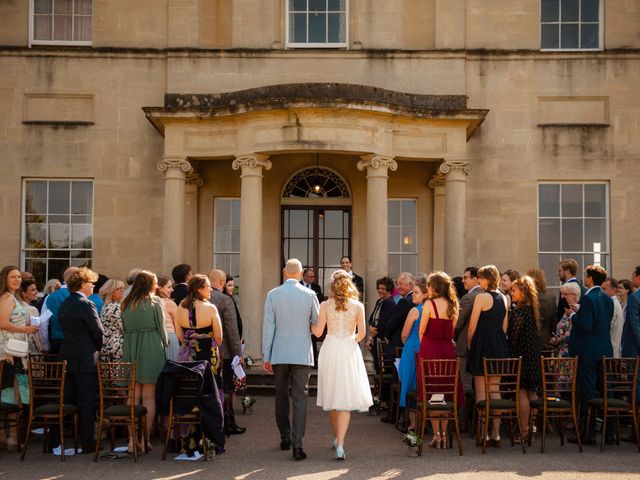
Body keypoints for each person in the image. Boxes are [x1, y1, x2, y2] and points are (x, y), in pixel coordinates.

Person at [262, 259, 319, 461]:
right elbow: (316, 324)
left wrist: (266, 355)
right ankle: (297, 444)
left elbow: (269, 328)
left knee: (281, 396)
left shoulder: (273, 295)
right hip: (302, 352)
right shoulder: (310, 295)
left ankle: (285, 436)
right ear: (301, 273)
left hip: (279, 352)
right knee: (300, 398)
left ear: (285, 272)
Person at [312, 269, 372, 460]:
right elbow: (362, 334)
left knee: (332, 397)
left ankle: (337, 438)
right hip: (348, 348)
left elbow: (318, 332)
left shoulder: (324, 305)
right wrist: (349, 340)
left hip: (330, 348)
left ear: (332, 285)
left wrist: (310, 325)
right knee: (344, 397)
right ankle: (341, 443)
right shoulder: (358, 306)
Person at [174, 274, 225, 455]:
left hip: (188, 356)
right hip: (208, 356)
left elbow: (180, 336)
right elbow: (218, 336)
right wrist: (209, 345)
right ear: (199, 289)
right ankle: (211, 440)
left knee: (190, 394)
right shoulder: (210, 308)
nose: (211, 289)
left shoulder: (180, 308)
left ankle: (189, 441)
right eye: (208, 286)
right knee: (211, 394)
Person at [58, 267, 104, 453]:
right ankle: (87, 443)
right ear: (82, 284)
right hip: (85, 357)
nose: (93, 285)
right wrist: (97, 348)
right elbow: (98, 331)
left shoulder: (65, 303)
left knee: (67, 399)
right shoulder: (85, 303)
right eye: (91, 282)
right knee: (86, 401)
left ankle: (57, 441)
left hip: (67, 354)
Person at [121, 270, 168, 452]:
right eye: (155, 283)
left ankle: (132, 441)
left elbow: (123, 327)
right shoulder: (155, 302)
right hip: (150, 346)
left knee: (132, 396)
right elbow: (162, 331)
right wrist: (165, 343)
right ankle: (145, 439)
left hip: (131, 345)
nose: (157, 286)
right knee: (148, 396)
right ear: (150, 284)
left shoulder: (125, 303)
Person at [567, 264, 613, 445]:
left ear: (591, 278)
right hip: (604, 349)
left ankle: (589, 433)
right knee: (605, 391)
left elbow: (586, 325)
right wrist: (581, 313)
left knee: (587, 393)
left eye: (586, 276)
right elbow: (600, 321)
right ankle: (608, 433)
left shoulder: (588, 298)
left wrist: (572, 315)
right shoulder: (608, 298)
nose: (584, 278)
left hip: (587, 351)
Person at [418, 271, 463, 449]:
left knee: (432, 392)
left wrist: (424, 348)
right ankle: (444, 434)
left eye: (429, 285)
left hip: (430, 349)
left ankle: (437, 434)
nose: (427, 288)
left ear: (435, 287)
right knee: (445, 391)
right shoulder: (454, 305)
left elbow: (422, 330)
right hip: (447, 351)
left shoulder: (429, 304)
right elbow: (451, 333)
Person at [467, 265, 509, 446]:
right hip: (498, 344)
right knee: (495, 389)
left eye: (480, 277)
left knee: (482, 390)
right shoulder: (504, 298)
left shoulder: (481, 297)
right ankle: (496, 433)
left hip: (482, 343)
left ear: (487, 278)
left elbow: (472, 326)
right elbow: (504, 326)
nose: (478, 280)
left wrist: (470, 344)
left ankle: (483, 433)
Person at [0, 266, 39, 451]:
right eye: (12, 277)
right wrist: (25, 329)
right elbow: (2, 322)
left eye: (18, 277)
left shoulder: (12, 297)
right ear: (4, 279)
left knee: (12, 392)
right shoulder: (6, 297)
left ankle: (10, 436)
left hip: (16, 351)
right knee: (10, 392)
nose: (16, 280)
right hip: (9, 352)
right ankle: (10, 437)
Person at [208, 269, 245, 436]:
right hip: (224, 352)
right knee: (227, 388)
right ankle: (228, 423)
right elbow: (231, 329)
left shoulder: (196, 299)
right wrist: (238, 353)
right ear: (222, 282)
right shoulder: (224, 299)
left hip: (200, 352)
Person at [508, 276, 542, 440]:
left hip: (522, 355)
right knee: (532, 392)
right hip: (533, 355)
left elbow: (513, 337)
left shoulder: (520, 311)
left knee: (521, 392)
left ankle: (524, 430)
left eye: (513, 290)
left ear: (523, 291)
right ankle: (532, 427)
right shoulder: (531, 309)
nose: (511, 293)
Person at [380, 272, 415, 424]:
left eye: (401, 284)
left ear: (410, 285)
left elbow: (393, 322)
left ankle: (395, 416)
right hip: (406, 345)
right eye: (397, 284)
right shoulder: (412, 300)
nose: (398, 287)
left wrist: (386, 335)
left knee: (398, 380)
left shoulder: (405, 302)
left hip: (399, 346)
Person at [397, 274, 428, 430]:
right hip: (425, 347)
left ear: (425, 295)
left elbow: (404, 334)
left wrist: (408, 344)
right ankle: (423, 421)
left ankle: (413, 423)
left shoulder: (415, 311)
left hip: (412, 348)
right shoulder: (431, 310)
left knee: (409, 384)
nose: (413, 295)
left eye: (416, 292)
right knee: (421, 384)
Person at [454, 266, 481, 431]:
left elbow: (458, 323)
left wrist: (453, 337)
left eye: (466, 277)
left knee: (465, 385)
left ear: (476, 279)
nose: (463, 280)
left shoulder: (469, 298)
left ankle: (464, 421)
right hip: (480, 347)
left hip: (466, 347)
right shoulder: (490, 295)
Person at [40, 266, 79, 354]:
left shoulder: (50, 297)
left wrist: (45, 346)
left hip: (56, 341)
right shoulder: (82, 296)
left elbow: (43, 323)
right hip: (78, 341)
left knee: (57, 367)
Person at [366, 276, 395, 375]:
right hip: (375, 338)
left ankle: (383, 390)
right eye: (378, 288)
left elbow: (383, 323)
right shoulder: (379, 301)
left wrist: (372, 334)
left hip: (382, 341)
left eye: (382, 288)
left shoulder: (389, 303)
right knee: (377, 367)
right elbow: (371, 318)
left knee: (382, 369)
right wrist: (370, 327)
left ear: (389, 290)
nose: (379, 290)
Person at [621, 266, 640, 403]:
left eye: (633, 275)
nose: (632, 278)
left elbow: (634, 325)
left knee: (636, 381)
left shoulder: (634, 298)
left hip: (635, 347)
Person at [549, 282, 581, 358]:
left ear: (575, 295)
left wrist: (560, 339)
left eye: (566, 294)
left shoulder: (578, 310)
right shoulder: (567, 310)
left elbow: (574, 332)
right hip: (561, 353)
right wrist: (555, 338)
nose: (562, 297)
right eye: (562, 294)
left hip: (570, 354)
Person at [526, 267, 556, 347]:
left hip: (529, 340)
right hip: (546, 339)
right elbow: (553, 320)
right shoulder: (551, 297)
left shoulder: (527, 298)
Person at [99, 279, 126, 361]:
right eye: (118, 289)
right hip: (115, 345)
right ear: (110, 291)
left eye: (122, 288)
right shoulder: (113, 307)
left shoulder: (107, 306)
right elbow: (123, 327)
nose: (122, 291)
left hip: (108, 344)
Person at [156, 275, 180, 362]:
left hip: (156, 339)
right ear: (160, 288)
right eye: (169, 287)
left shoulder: (150, 303)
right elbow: (178, 325)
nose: (172, 290)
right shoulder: (170, 304)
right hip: (170, 338)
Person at [556, 258, 586, 324]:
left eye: (560, 271)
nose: (558, 273)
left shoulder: (565, 290)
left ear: (567, 271)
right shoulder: (584, 289)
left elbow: (561, 313)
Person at [602, 277, 625, 358]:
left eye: (604, 289)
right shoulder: (613, 303)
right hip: (613, 346)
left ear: (614, 289)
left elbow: (606, 327)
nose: (602, 292)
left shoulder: (612, 304)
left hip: (611, 348)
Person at [224, 274, 243, 340]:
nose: (233, 287)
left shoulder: (231, 299)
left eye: (233, 285)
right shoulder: (225, 301)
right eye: (229, 285)